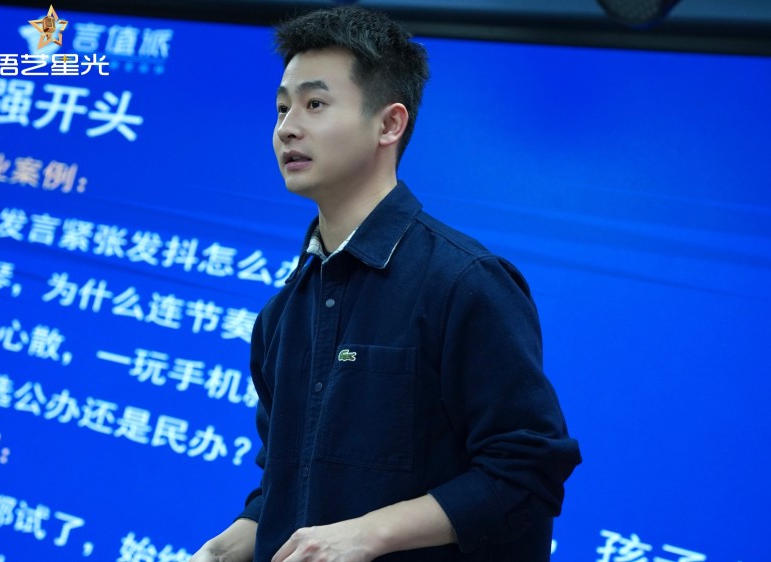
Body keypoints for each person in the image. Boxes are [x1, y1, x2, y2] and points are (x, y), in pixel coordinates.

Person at [192, 6, 581, 562]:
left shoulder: (464, 282)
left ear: (389, 124)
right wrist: (226, 546)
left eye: (315, 104)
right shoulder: (282, 313)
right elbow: (291, 480)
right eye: (281, 107)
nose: (287, 128)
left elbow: (528, 470)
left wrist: (370, 533)